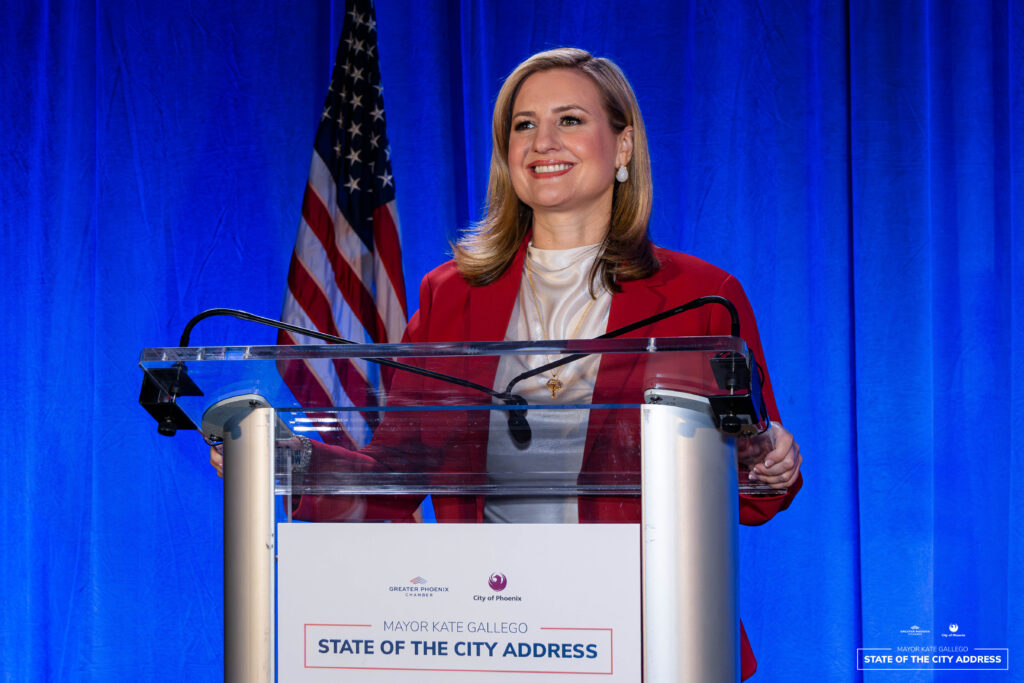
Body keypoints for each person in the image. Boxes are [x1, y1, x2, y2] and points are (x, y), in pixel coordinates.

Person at [212, 47, 802, 679]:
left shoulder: (701, 297)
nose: (542, 141)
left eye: (570, 120)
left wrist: (767, 460)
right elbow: (397, 472)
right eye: (523, 124)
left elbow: (753, 487)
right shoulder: (452, 294)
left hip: (652, 635)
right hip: (493, 636)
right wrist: (287, 460)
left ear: (623, 145)